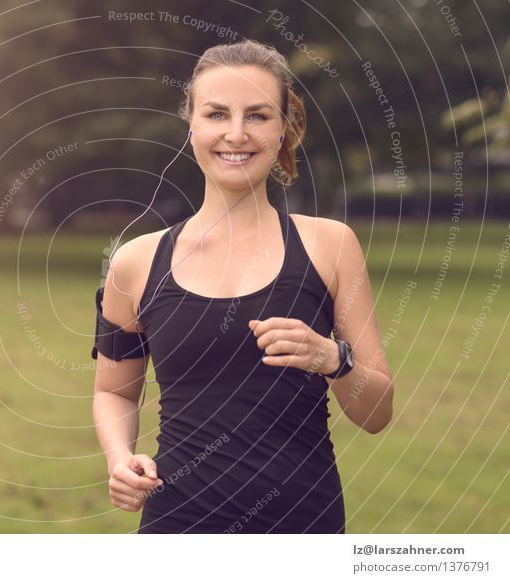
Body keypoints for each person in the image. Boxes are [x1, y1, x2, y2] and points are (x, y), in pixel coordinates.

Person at [91, 39, 394, 534]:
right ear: (191, 125)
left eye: (257, 115)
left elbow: (378, 412)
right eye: (216, 114)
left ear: (282, 130)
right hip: (178, 529)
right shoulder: (136, 263)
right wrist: (119, 457)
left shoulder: (331, 247)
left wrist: (332, 359)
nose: (236, 134)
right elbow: (114, 392)